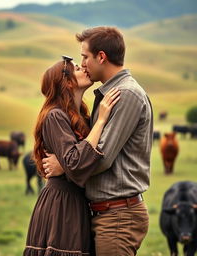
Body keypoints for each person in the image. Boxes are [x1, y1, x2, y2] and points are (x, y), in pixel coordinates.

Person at [42, 27, 154, 256]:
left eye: (84, 57)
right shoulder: (108, 95)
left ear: (101, 57)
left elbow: (101, 158)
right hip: (107, 214)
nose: (82, 64)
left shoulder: (125, 94)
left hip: (118, 216)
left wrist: (64, 165)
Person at [23, 55, 120, 256]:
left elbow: (75, 161)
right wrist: (101, 121)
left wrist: (62, 166)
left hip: (77, 201)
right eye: (77, 68)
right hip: (61, 204)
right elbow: (75, 162)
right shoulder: (55, 115)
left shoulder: (81, 117)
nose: (84, 67)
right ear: (67, 82)